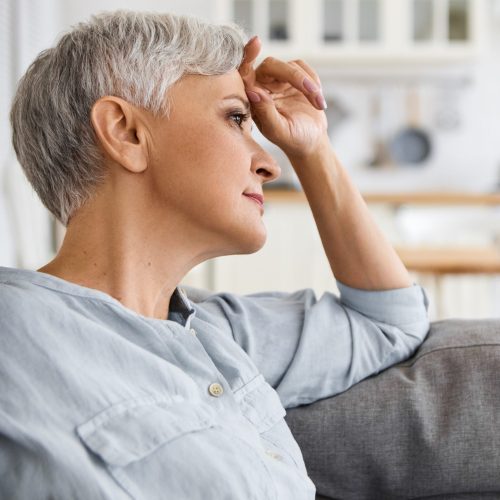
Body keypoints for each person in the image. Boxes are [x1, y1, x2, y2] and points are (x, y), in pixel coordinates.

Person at [0, 10, 429, 499]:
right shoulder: (15, 331)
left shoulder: (220, 337)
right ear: (126, 132)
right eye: (237, 118)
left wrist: (314, 152)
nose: (269, 162)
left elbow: (389, 323)